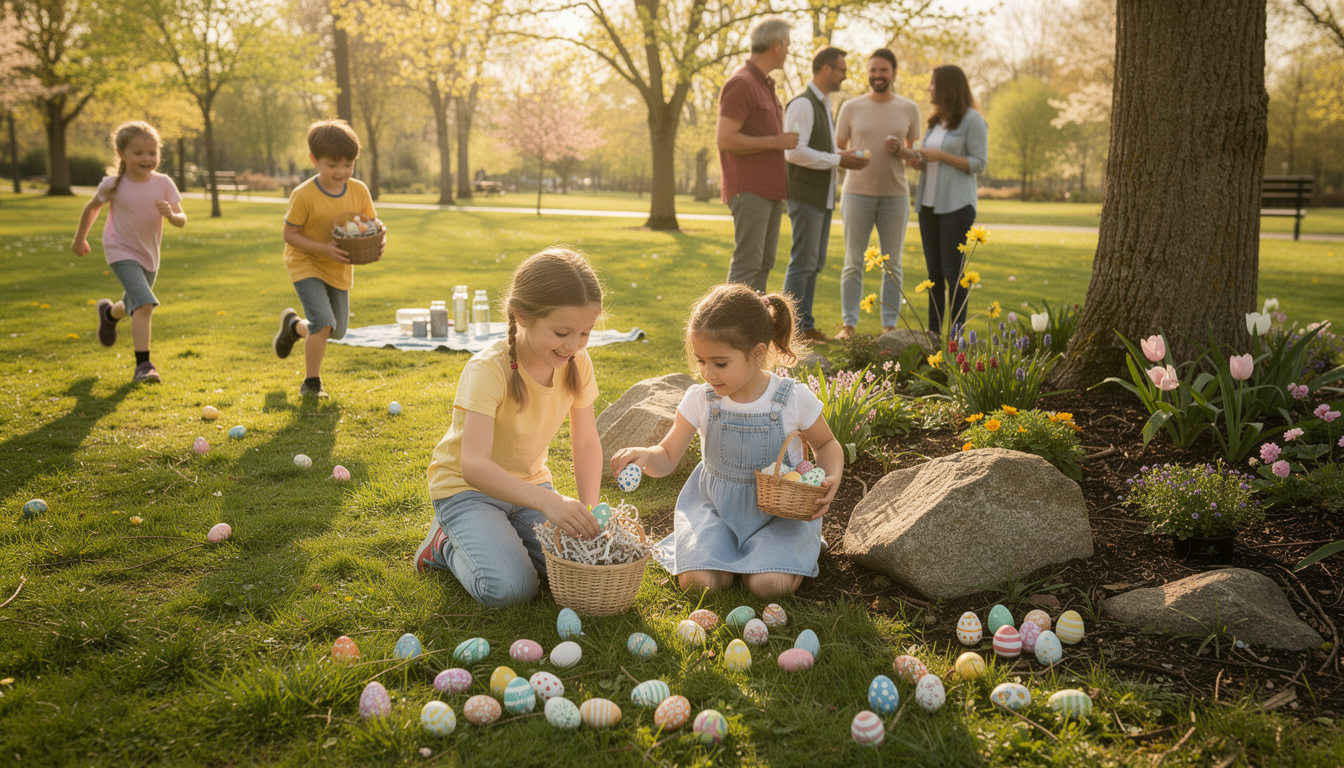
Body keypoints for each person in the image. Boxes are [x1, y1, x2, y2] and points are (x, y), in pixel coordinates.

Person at [610, 285, 843, 597]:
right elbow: (666, 455)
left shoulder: (791, 398)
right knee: (701, 585)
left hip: (779, 518)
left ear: (757, 353)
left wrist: (831, 477)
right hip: (716, 511)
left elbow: (826, 444)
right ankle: (728, 557)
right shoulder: (702, 400)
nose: (708, 373)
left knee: (768, 587)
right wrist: (645, 456)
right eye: (701, 361)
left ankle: (781, 554)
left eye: (720, 363)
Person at [415, 248, 605, 607]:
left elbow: (585, 444)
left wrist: (589, 515)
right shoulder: (488, 369)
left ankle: (502, 538)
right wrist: (548, 501)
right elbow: (474, 466)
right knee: (512, 589)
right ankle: (442, 545)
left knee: (577, 566)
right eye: (561, 332)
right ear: (522, 315)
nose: (573, 345)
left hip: (530, 488)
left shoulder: (578, 363)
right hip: (467, 491)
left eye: (585, 333)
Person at [271, 119, 383, 398]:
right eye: (333, 165)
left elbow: (371, 224)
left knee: (338, 330)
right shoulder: (303, 194)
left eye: (348, 164)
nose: (341, 171)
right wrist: (323, 249)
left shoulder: (359, 190)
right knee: (323, 322)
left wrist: (380, 239)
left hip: (338, 266)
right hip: (305, 262)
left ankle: (293, 326)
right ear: (314, 160)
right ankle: (312, 383)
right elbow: (289, 234)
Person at [70, 121, 186, 384]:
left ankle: (109, 314)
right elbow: (92, 207)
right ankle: (144, 366)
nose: (147, 158)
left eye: (152, 153)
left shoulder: (164, 183)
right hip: (119, 250)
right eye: (138, 153)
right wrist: (80, 239)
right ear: (121, 153)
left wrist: (172, 215)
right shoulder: (113, 184)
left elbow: (182, 219)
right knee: (144, 304)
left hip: (149, 255)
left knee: (134, 303)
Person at [834, 49, 923, 339]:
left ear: (894, 73)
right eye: (873, 70)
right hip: (856, 194)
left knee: (893, 264)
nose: (877, 75)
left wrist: (901, 151)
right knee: (853, 263)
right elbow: (836, 150)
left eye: (883, 70)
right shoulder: (851, 107)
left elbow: (916, 156)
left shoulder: (909, 108)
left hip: (895, 196)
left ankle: (889, 327)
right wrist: (853, 156)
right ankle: (849, 325)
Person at [782, 46, 869, 343]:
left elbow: (819, 151)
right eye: (842, 69)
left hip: (822, 196)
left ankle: (804, 326)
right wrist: (837, 159)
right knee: (802, 262)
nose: (845, 75)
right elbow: (794, 152)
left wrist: (841, 156)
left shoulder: (824, 104)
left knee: (814, 262)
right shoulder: (803, 105)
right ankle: (791, 330)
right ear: (826, 69)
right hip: (806, 195)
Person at [718, 16, 799, 293]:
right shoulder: (741, 83)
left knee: (763, 264)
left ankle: (754, 320)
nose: (788, 50)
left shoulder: (765, 85)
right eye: (787, 44)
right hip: (750, 190)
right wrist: (777, 141)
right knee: (747, 265)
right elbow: (725, 139)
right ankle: (728, 320)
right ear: (776, 45)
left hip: (772, 190)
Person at [911, 65, 988, 334]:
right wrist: (919, 161)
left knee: (953, 273)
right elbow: (931, 158)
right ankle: (934, 333)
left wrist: (941, 156)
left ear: (947, 87)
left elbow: (979, 163)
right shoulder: (935, 122)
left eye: (933, 83)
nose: (929, 88)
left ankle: (956, 336)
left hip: (956, 206)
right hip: (928, 205)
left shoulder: (972, 121)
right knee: (933, 273)